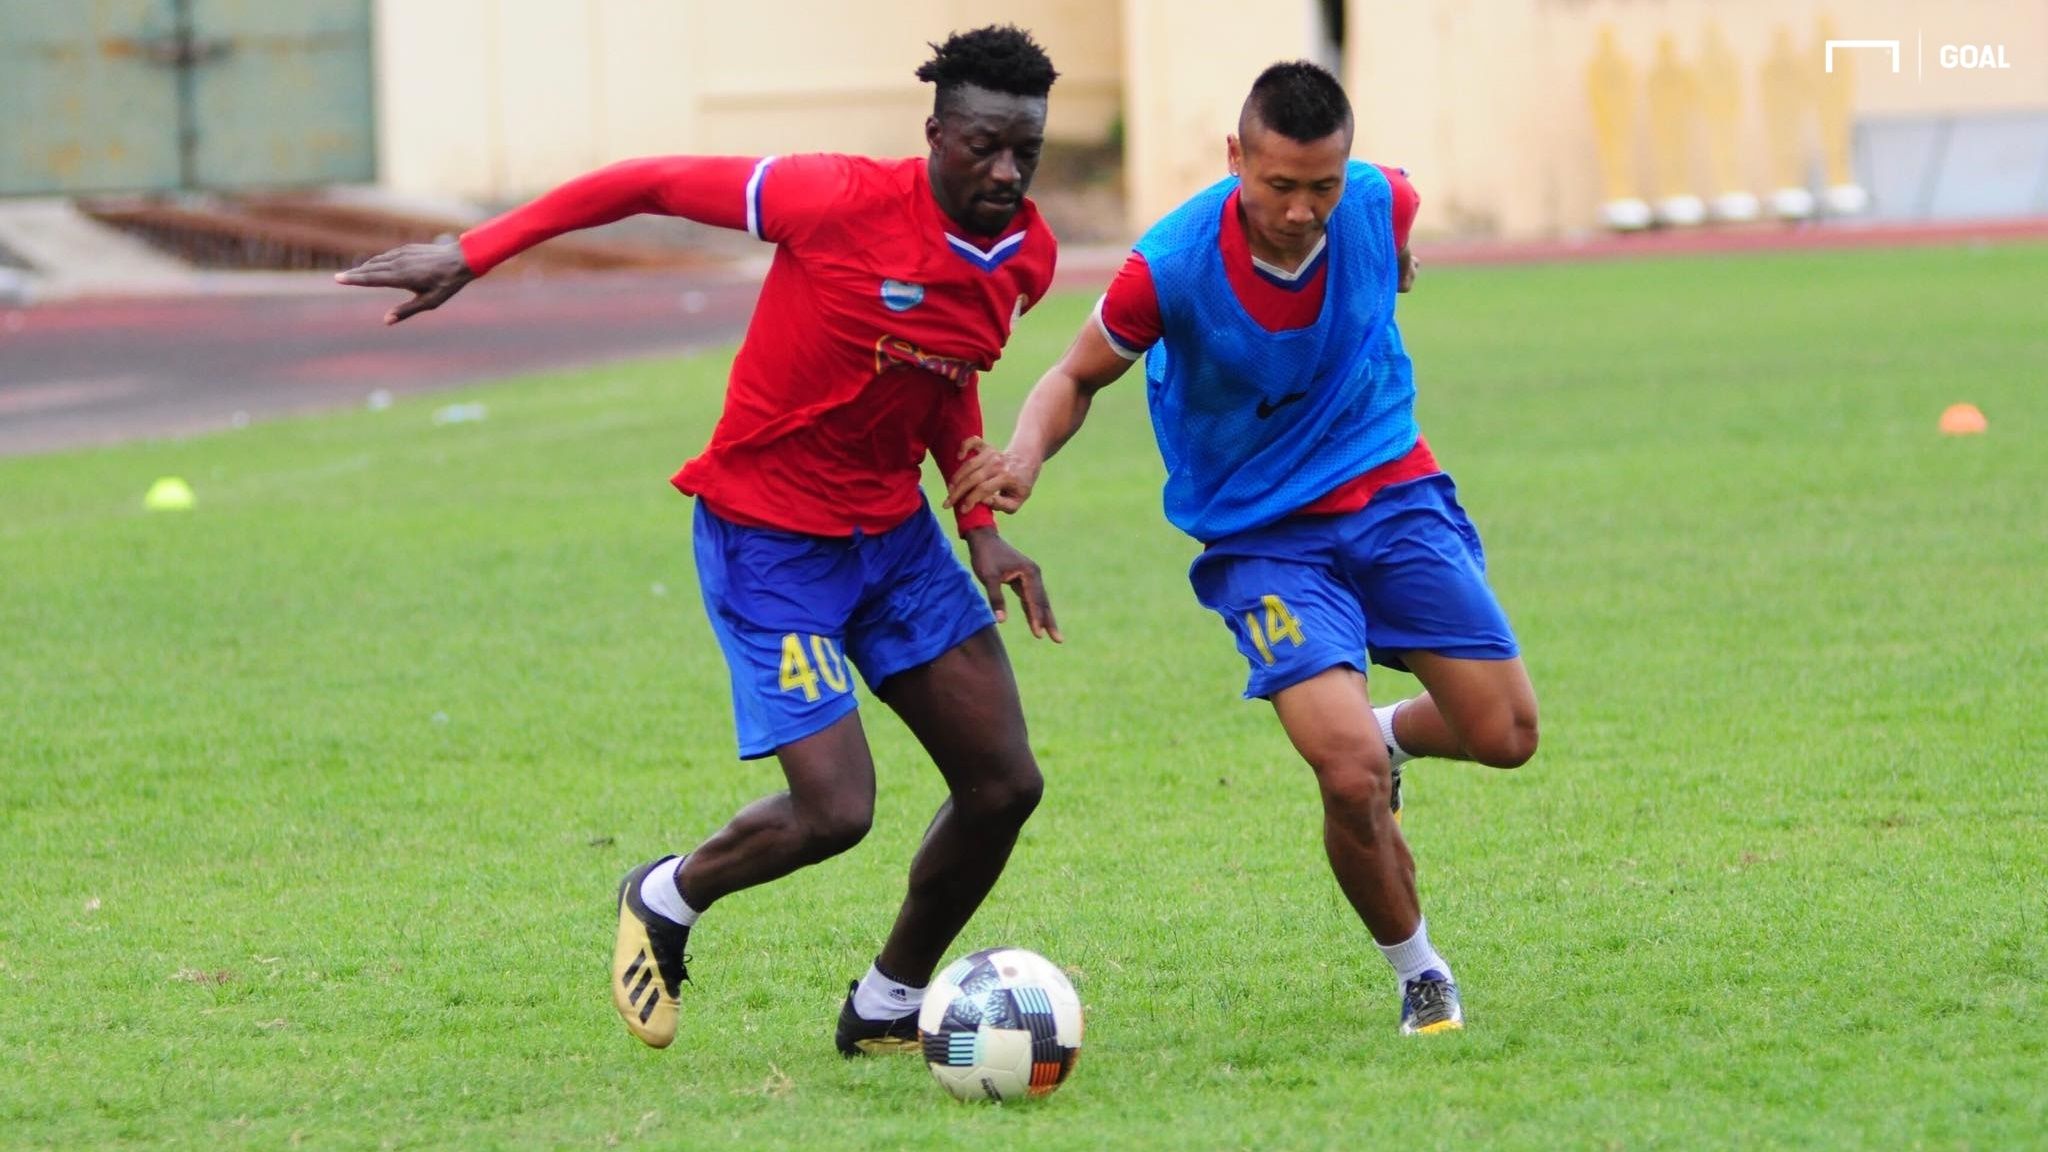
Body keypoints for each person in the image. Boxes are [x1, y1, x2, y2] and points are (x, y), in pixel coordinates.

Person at [338, 25, 1065, 1056]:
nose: (1005, 171)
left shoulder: (1023, 254)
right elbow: (649, 180)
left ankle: (887, 1005)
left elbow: (944, 374)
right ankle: (666, 896)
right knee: (835, 812)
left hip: (892, 542)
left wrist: (978, 524)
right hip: (770, 540)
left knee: (1003, 785)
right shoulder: (833, 199)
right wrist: (473, 251)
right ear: (934, 131)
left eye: (1024, 150)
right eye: (983, 144)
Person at [946, 60, 1538, 1035]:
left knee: (1505, 738)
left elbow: (1385, 234)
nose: (1302, 210)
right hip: (1261, 537)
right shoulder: (1171, 265)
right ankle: (1418, 971)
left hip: (1391, 490)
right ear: (1234, 159)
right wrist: (1022, 454)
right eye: (1277, 186)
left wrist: (1389, 256)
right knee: (1343, 772)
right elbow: (1072, 376)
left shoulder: (1379, 202)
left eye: (1321, 187)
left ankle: (1390, 731)